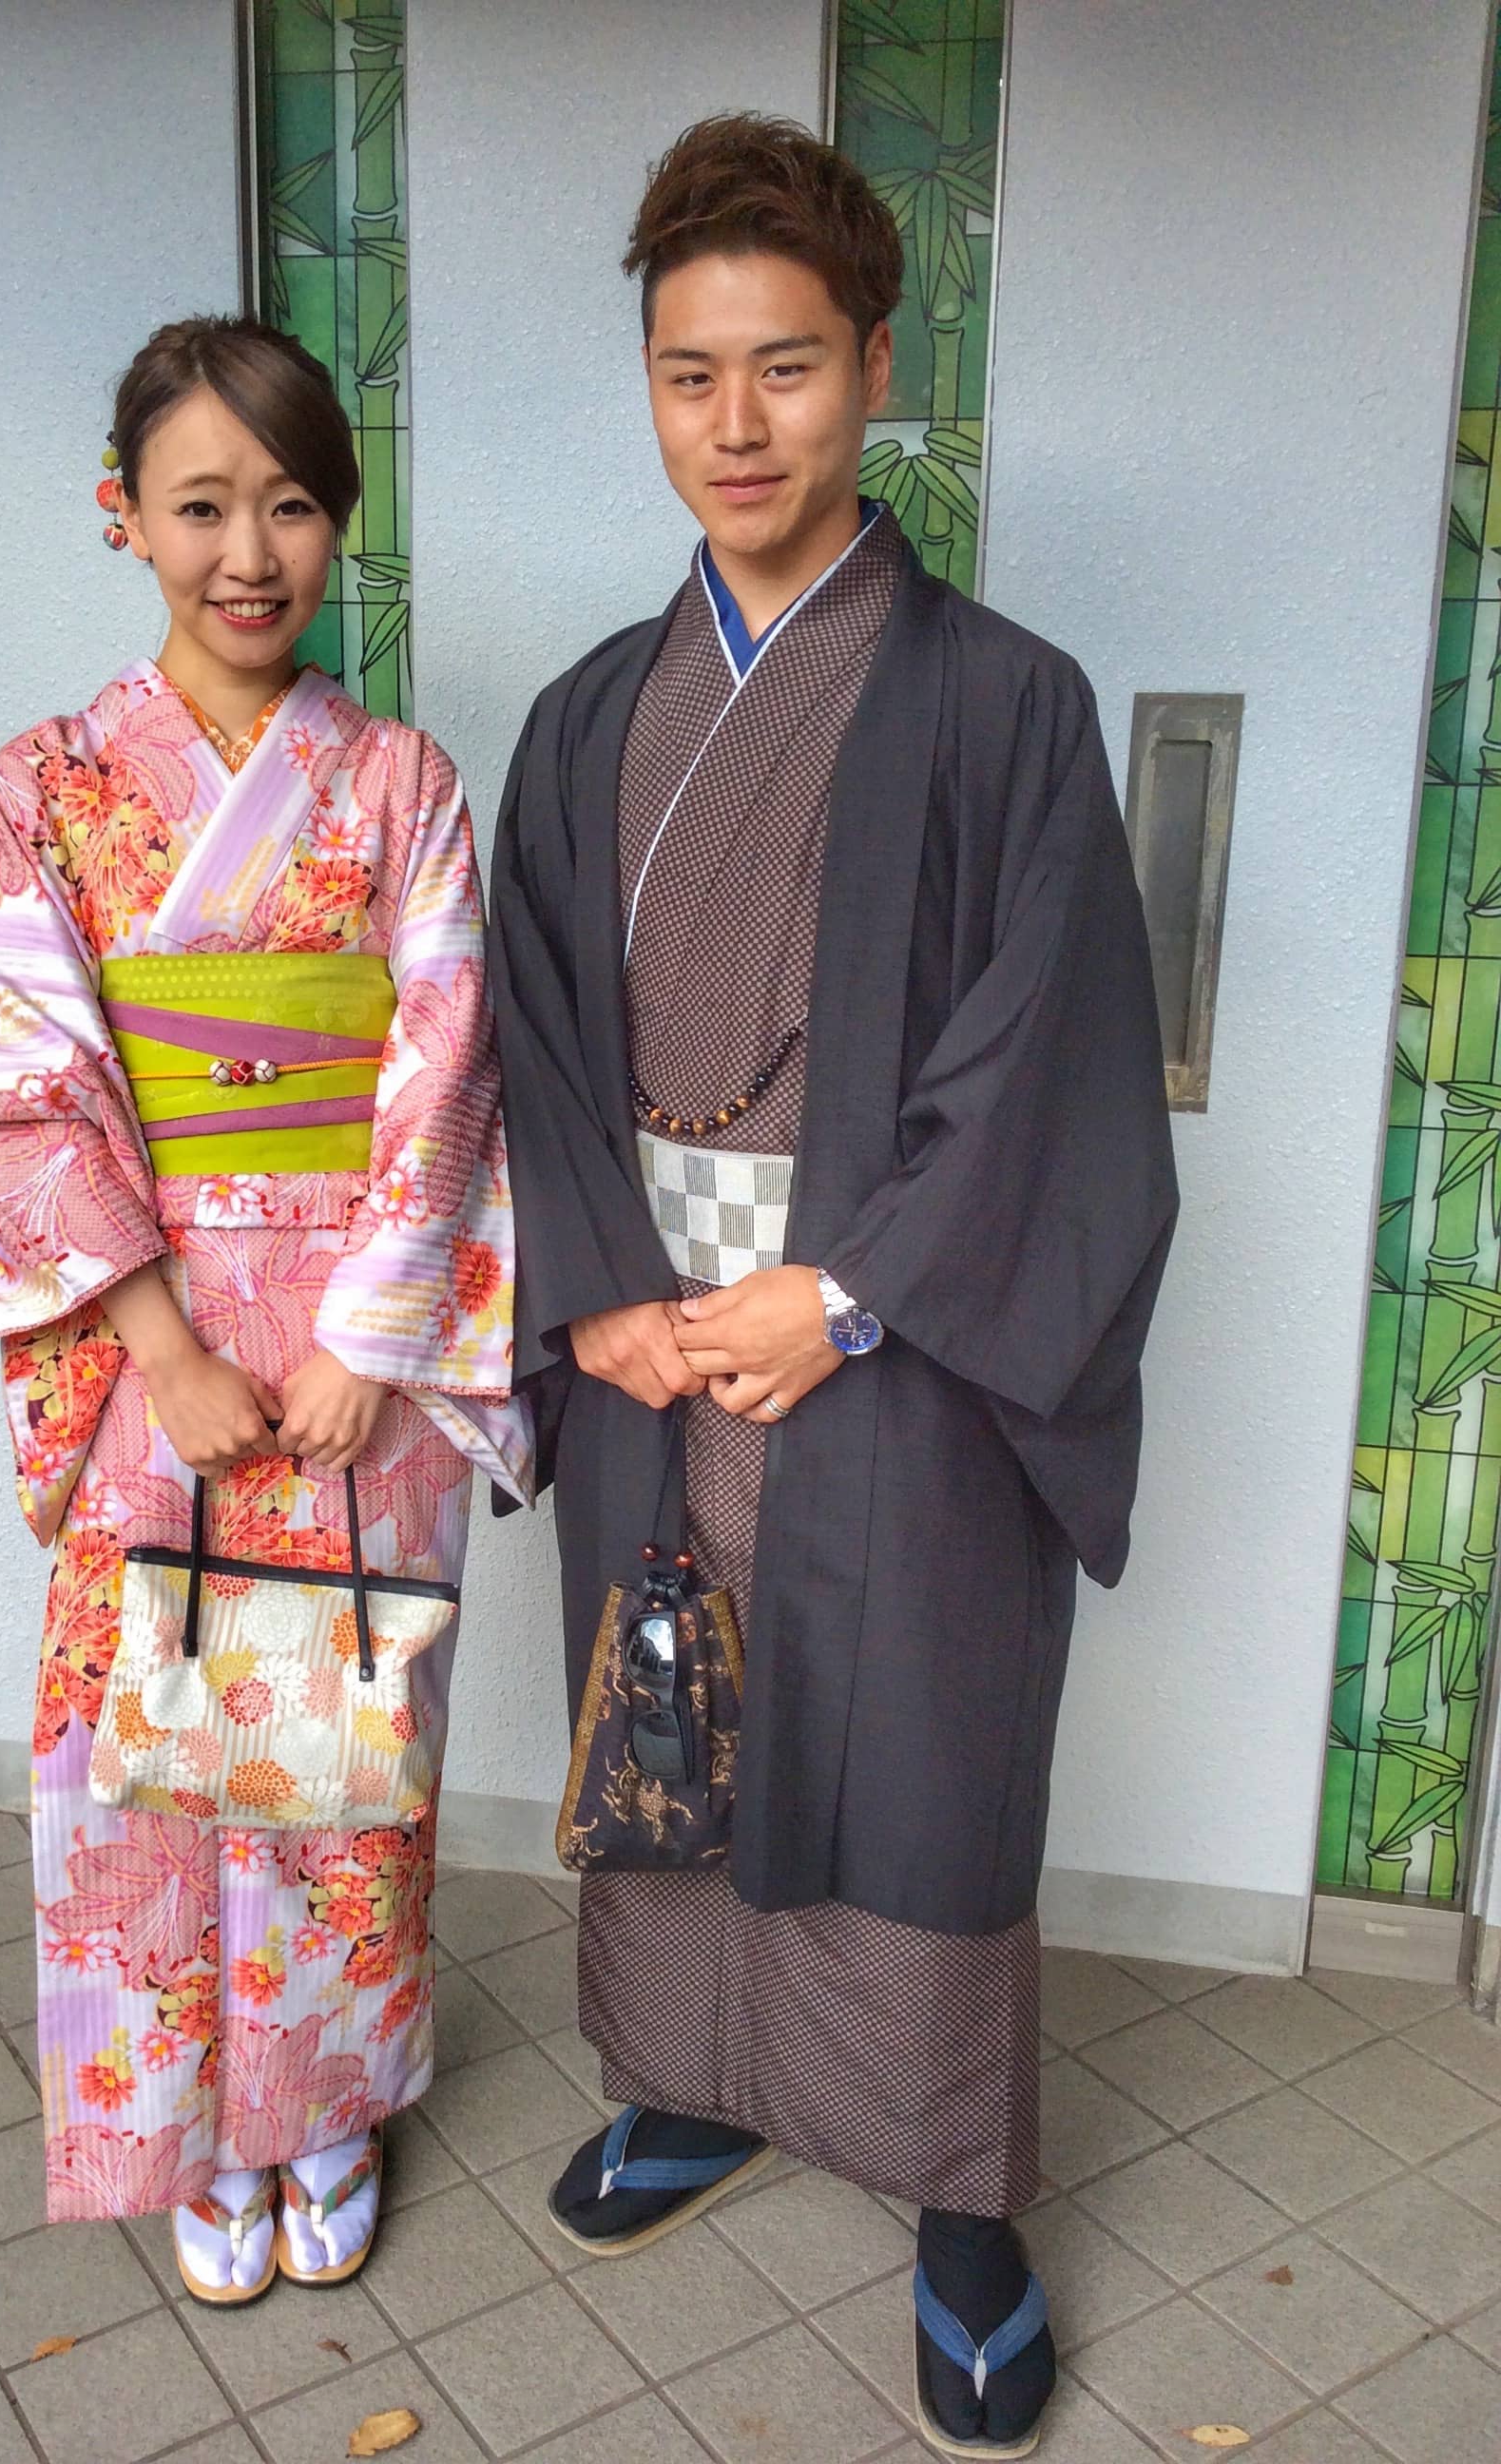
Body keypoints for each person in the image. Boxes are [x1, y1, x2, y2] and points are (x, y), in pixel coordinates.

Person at [489, 118, 1176, 2456]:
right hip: (647, 1345)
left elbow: (1051, 1057)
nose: (737, 423)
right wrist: (592, 1292)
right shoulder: (587, 715)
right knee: (671, 1709)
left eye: (784, 366)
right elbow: (532, 1038)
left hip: (891, 1342)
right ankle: (690, 2080)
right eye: (688, 374)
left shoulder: (1003, 703)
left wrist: (848, 1290)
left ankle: (957, 2196)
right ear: (648, 387)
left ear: (875, 366)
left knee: (919, 1754)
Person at [0, 315, 528, 2306]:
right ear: (124, 516)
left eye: (288, 505)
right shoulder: (47, 785)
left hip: (359, 1341)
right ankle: (190, 2122)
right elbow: (10, 1081)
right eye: (200, 507)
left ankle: (325, 2104)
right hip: (145, 1347)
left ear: (338, 519)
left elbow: (448, 1058)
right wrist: (164, 1346)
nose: (246, 553)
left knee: (338, 1734)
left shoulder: (402, 784)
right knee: (153, 1744)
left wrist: (368, 1338)